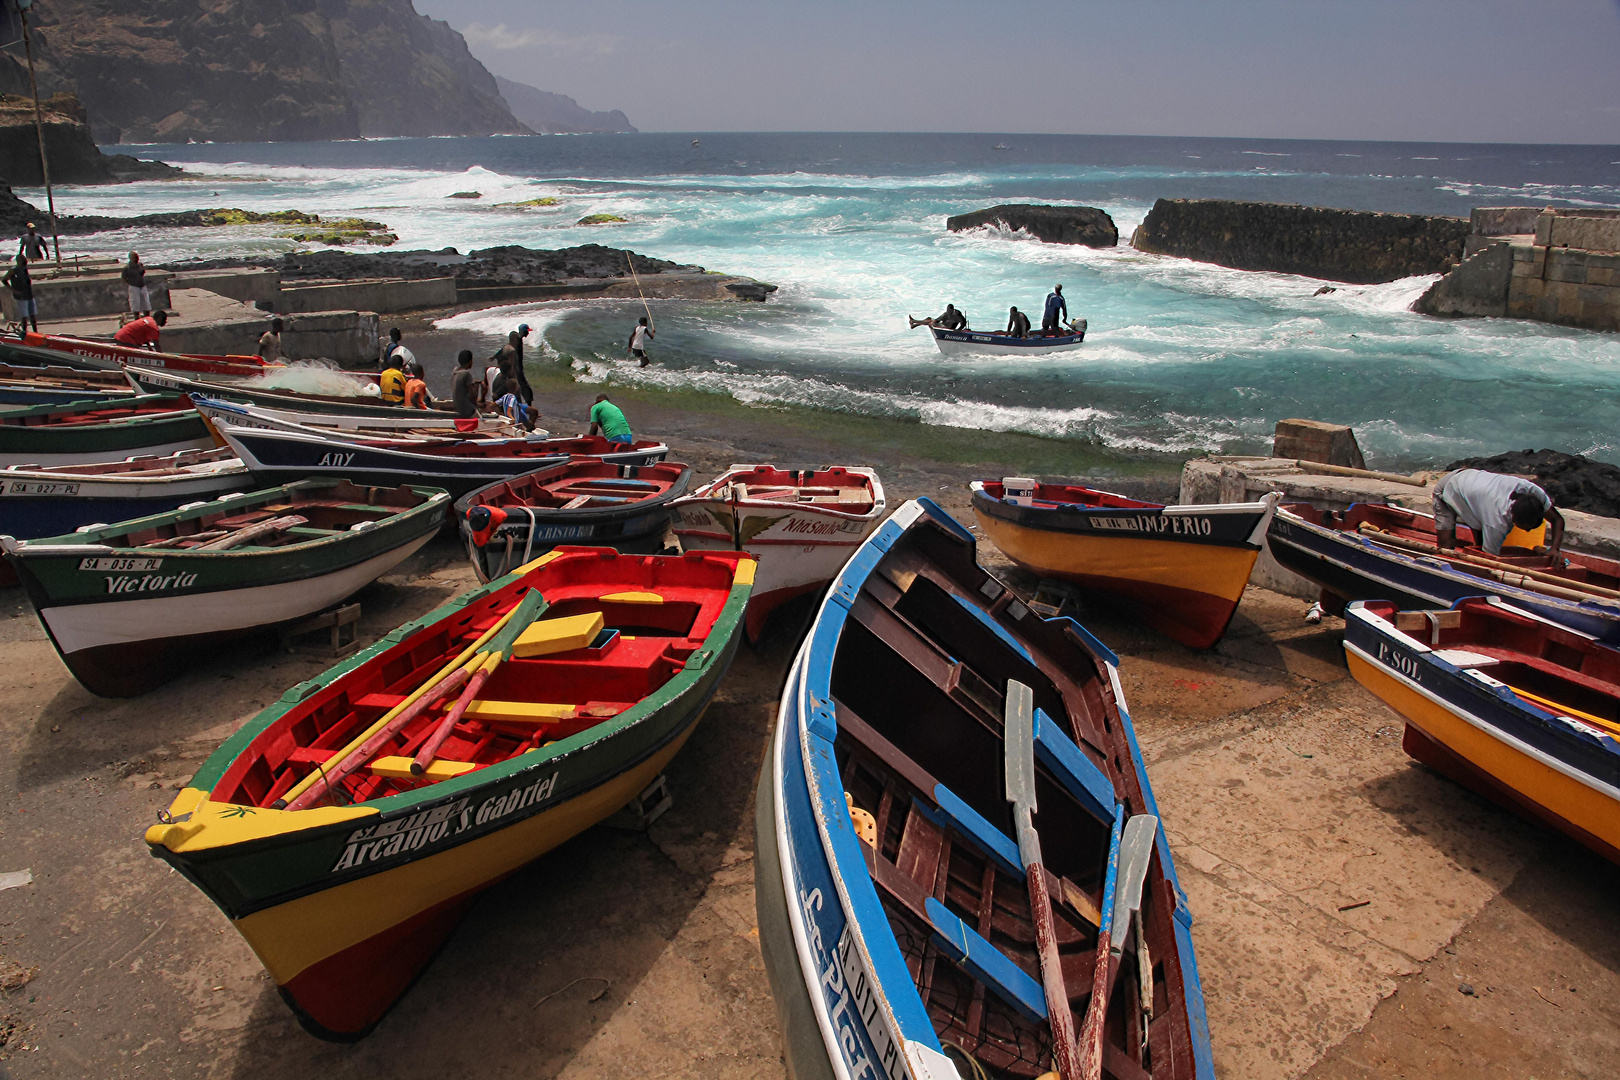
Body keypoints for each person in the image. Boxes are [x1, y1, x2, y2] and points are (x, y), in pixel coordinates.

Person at [1434, 468, 1565, 557]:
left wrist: (1554, 549)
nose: (1527, 532)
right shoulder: (1497, 520)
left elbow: (1557, 519)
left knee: (1481, 532)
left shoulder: (1535, 493)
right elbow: (1488, 558)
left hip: (1476, 487)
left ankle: (1476, 547)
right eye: (1526, 528)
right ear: (1513, 519)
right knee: (1445, 547)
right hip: (1449, 486)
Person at [4, 252, 37, 332]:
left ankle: (35, 332)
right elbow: (4, 280)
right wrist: (13, 290)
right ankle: (24, 332)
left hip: (28, 294)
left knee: (32, 315)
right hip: (21, 295)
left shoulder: (24, 269)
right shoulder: (14, 270)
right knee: (24, 316)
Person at [450, 349, 481, 431]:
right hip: (466, 410)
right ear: (470, 361)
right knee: (481, 421)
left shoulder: (455, 371)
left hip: (457, 407)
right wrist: (477, 387)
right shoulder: (467, 374)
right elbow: (473, 396)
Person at [123, 252, 151, 317]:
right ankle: (136, 318)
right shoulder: (127, 268)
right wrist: (129, 284)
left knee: (146, 303)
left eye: (137, 257)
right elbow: (124, 278)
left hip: (142, 285)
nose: (136, 259)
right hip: (133, 286)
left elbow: (141, 273)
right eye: (135, 257)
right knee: (135, 304)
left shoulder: (140, 265)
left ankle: (147, 317)